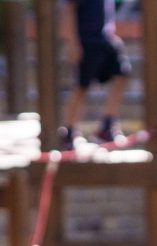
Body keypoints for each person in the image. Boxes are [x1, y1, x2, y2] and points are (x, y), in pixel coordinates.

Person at [58, 0, 131, 150]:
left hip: (106, 38)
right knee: (82, 85)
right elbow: (69, 11)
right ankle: (69, 131)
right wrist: (72, 43)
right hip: (86, 39)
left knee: (122, 73)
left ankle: (107, 126)